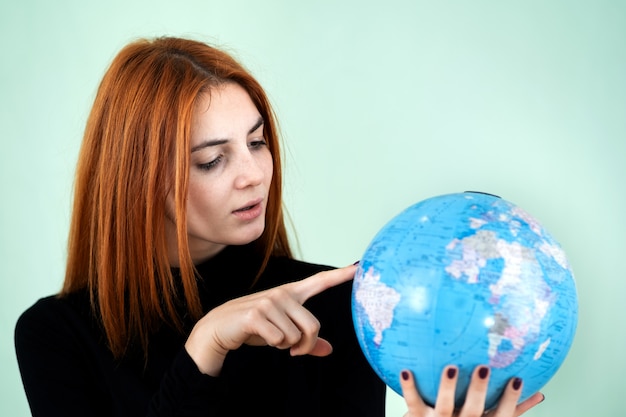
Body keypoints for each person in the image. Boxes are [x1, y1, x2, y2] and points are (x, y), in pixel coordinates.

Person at [14, 36, 545, 417]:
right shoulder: (54, 336)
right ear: (136, 181)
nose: (254, 175)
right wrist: (204, 350)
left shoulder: (340, 307)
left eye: (257, 141)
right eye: (210, 160)